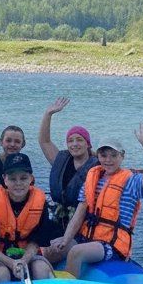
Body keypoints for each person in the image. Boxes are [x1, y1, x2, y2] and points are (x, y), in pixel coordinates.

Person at [48, 125, 143, 278]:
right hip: (87, 238)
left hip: (111, 244)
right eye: (103, 155)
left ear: (122, 156)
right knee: (52, 250)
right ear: (98, 156)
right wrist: (66, 239)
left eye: (113, 155)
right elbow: (79, 215)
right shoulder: (92, 179)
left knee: (76, 252)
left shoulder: (131, 181)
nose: (108, 160)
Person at [0, 153, 56, 281]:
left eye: (23, 178)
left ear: (31, 178)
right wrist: (11, 263)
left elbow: (36, 241)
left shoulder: (40, 201)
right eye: (13, 179)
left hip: (27, 255)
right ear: (4, 179)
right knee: (2, 273)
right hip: (0, 256)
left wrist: (24, 261)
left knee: (40, 268)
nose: (18, 183)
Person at [37, 96, 98, 251]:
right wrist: (48, 114)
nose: (74, 144)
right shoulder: (61, 160)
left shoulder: (98, 166)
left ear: (88, 144)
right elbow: (44, 141)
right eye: (70, 141)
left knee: (51, 251)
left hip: (84, 224)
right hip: (58, 220)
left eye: (79, 140)